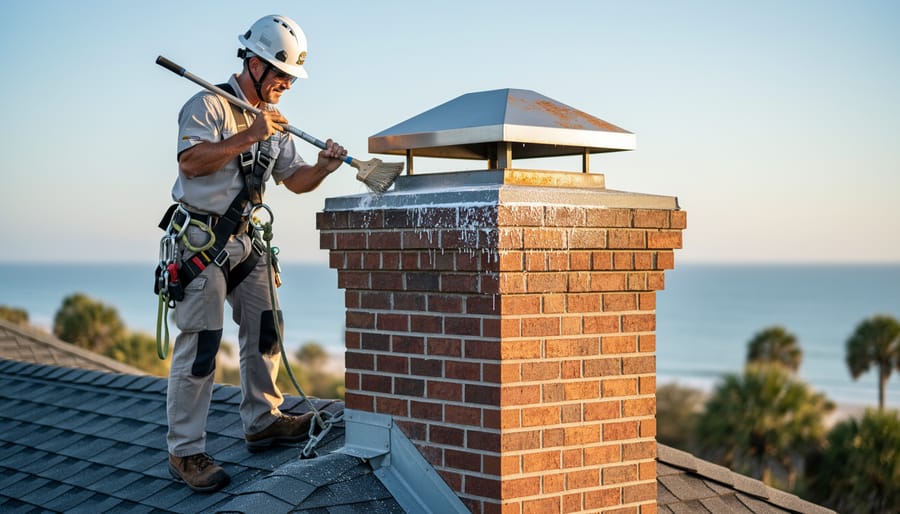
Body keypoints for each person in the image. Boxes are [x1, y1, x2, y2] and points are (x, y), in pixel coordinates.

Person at [164, 14, 346, 493]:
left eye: (290, 77)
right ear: (254, 63)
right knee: (202, 347)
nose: (286, 84)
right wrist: (250, 134)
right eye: (280, 74)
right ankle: (185, 452)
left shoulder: (275, 124)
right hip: (200, 244)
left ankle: (263, 418)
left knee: (267, 329)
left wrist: (323, 168)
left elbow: (296, 181)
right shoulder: (206, 105)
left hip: (248, 243)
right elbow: (191, 163)